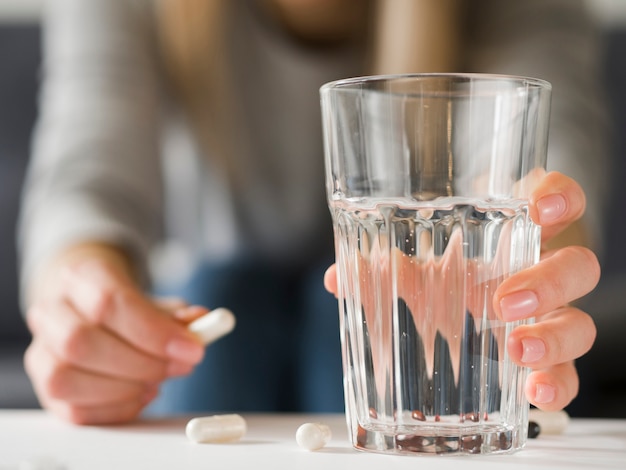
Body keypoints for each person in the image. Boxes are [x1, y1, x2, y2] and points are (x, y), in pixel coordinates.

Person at [18, 0, 608, 424]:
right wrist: (81, 295)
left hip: (405, 304)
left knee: (350, 308)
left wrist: (529, 252)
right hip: (221, 301)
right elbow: (89, 169)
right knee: (229, 289)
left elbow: (537, 147)